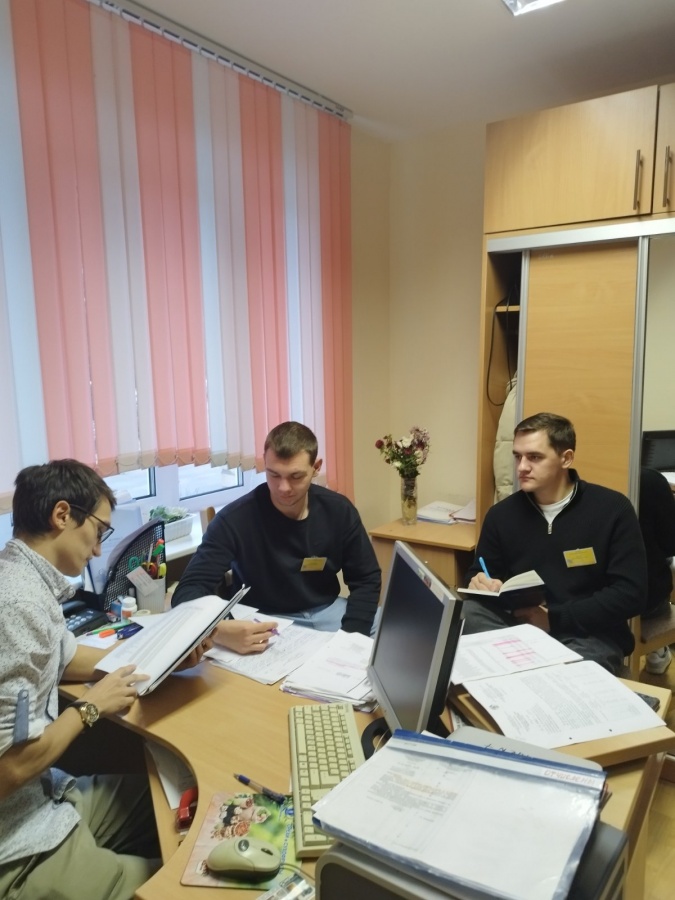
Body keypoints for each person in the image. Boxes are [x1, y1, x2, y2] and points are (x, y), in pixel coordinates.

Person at [0, 459, 209, 900]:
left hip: (46, 797)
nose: (98, 550)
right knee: (185, 882)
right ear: (62, 515)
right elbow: (9, 767)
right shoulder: (17, 606)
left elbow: (66, 657)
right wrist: (90, 708)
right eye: (99, 531)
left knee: (185, 807)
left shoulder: (23, 578)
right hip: (18, 845)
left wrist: (160, 657)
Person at [172, 421, 381, 654]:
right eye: (274, 475)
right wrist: (219, 630)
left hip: (326, 611)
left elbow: (366, 578)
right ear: (264, 463)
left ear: (316, 467)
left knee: (396, 628)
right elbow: (188, 590)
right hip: (262, 619)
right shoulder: (235, 519)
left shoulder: (339, 510)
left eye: (296, 476)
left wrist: (352, 637)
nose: (283, 488)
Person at [462, 412, 647, 674]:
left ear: (566, 458)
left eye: (534, 457)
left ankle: (527, 672)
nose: (522, 467)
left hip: (585, 634)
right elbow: (479, 573)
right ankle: (523, 671)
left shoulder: (612, 509)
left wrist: (553, 619)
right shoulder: (501, 515)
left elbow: (630, 594)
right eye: (517, 456)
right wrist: (479, 582)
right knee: (467, 613)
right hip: (518, 626)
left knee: (576, 671)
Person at [638, 466, 675, 674]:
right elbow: (670, 544)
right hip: (646, 603)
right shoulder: (650, 481)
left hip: (581, 595)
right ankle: (657, 653)